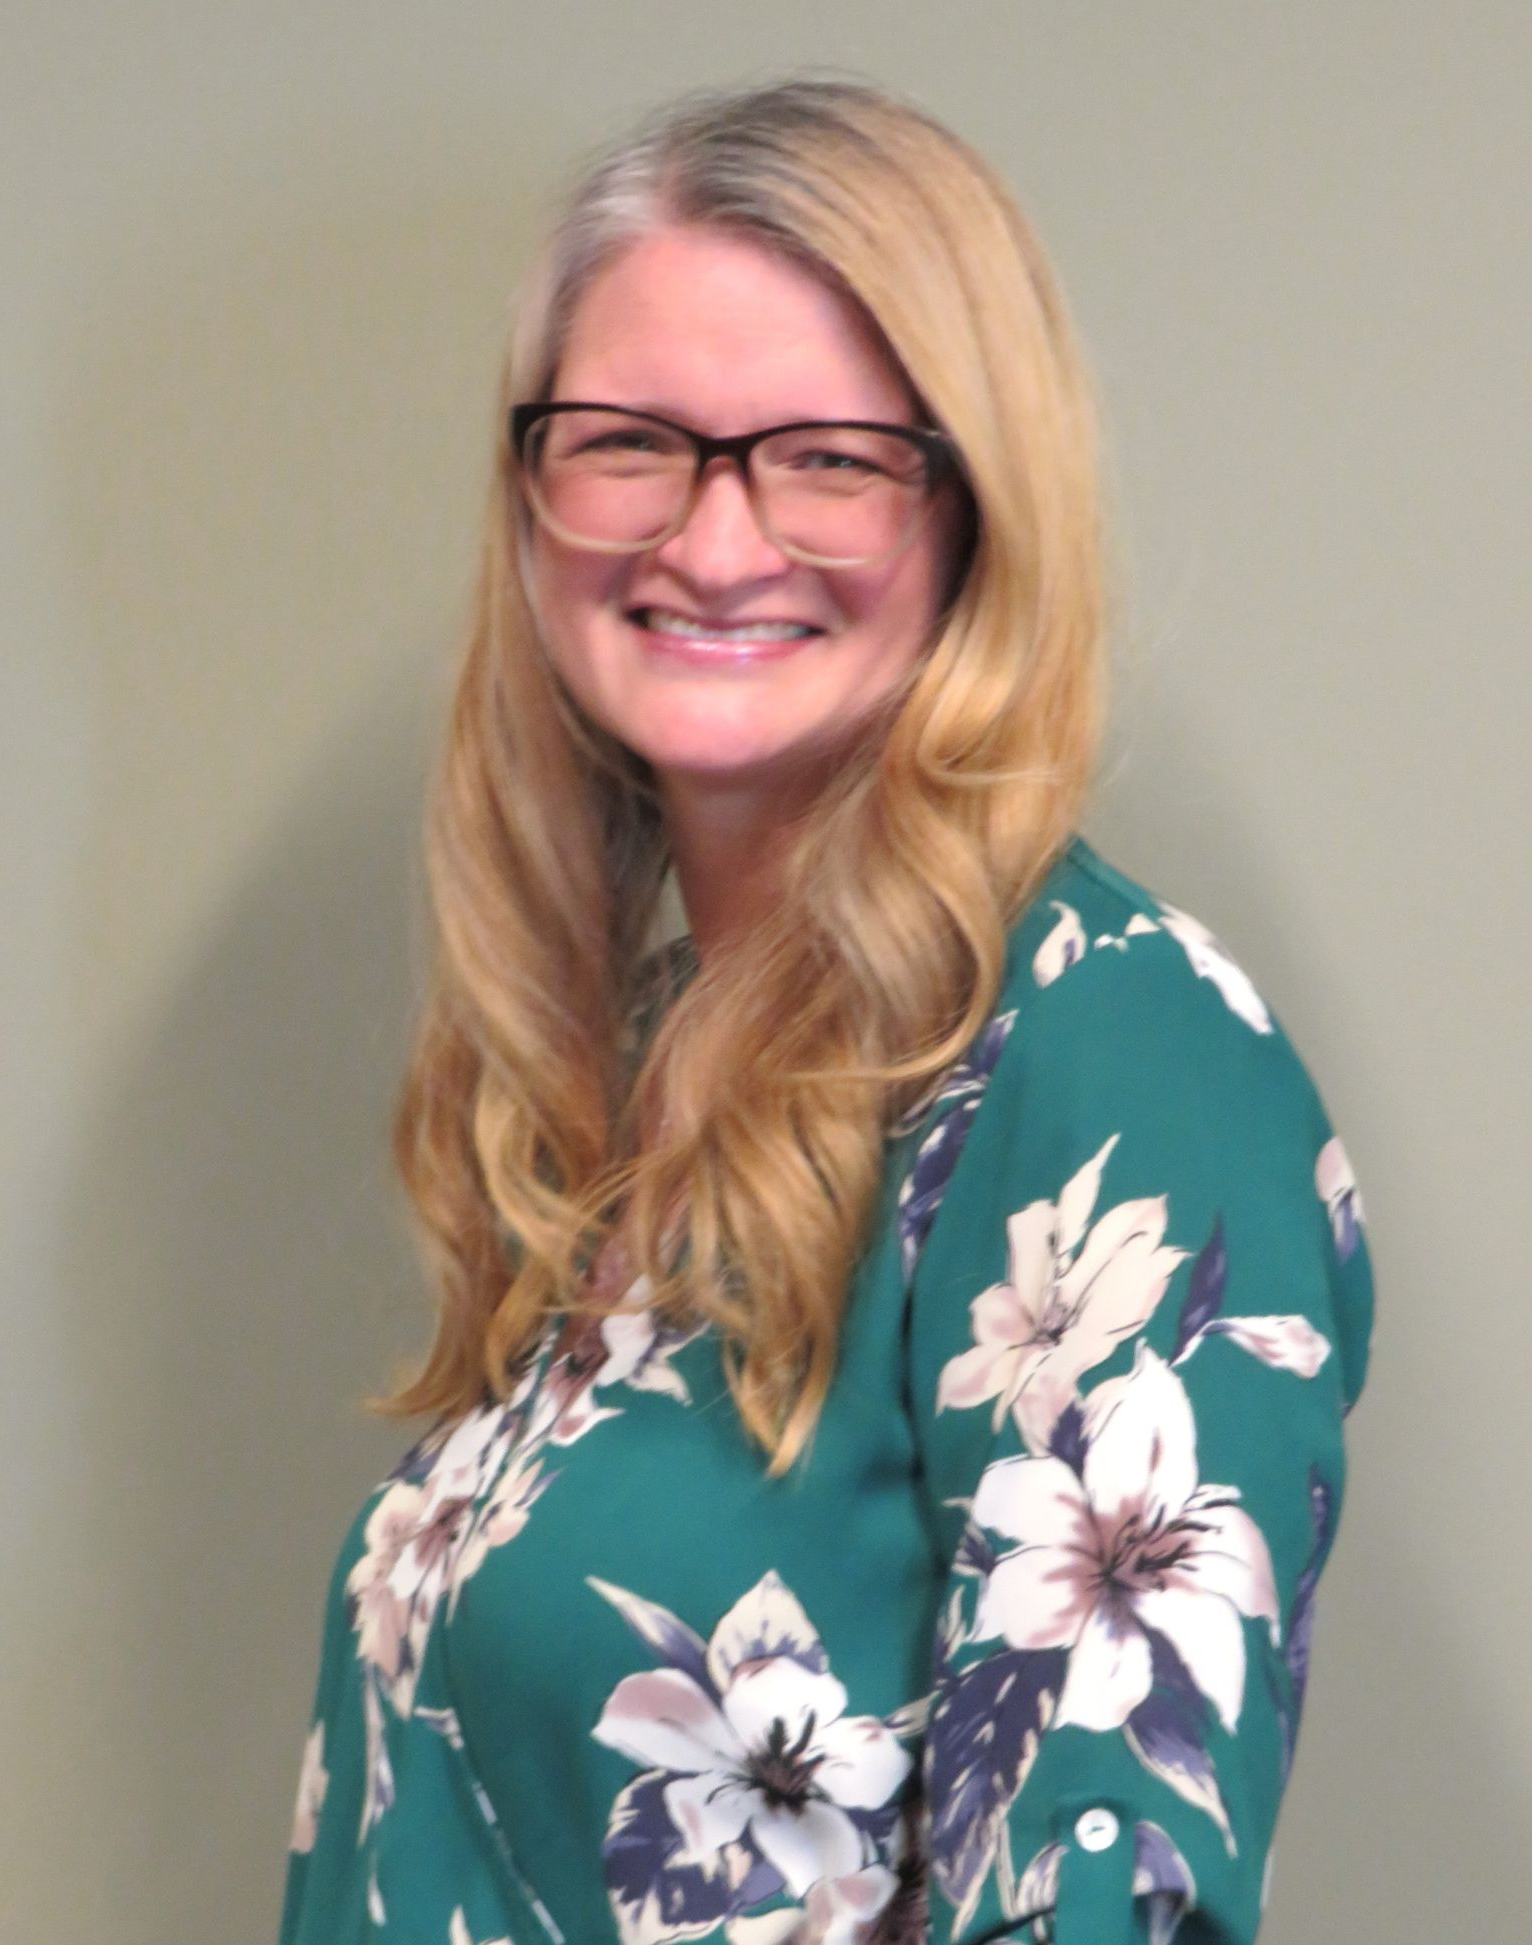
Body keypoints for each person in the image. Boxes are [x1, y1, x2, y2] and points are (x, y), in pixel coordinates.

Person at [278, 79, 1374, 1945]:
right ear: (532, 489)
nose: (713, 543)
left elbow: (1112, 1905)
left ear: (971, 510)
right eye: (631, 441)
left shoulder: (1114, 1062)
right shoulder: (648, 1052)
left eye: (830, 458)